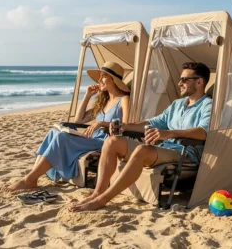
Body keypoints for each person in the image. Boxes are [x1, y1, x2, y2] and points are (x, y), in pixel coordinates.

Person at [70, 62, 212, 212]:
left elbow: (204, 132)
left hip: (184, 153)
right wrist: (126, 126)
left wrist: (170, 133)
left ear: (199, 81)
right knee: (113, 141)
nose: (179, 83)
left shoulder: (207, 105)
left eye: (184, 80)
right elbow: (152, 122)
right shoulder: (177, 104)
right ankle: (98, 192)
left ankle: (103, 199)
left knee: (142, 149)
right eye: (180, 79)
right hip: (164, 149)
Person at [6, 61, 130, 191]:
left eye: (103, 76)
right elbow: (78, 120)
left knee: (61, 137)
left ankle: (30, 180)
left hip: (105, 142)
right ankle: (31, 177)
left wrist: (100, 123)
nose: (99, 80)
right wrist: (87, 96)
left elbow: (126, 125)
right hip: (90, 138)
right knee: (53, 133)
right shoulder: (104, 101)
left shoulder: (123, 99)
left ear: (113, 79)